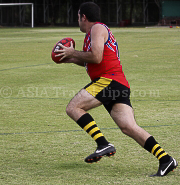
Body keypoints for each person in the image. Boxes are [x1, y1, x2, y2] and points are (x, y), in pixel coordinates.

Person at [55, 2, 178, 177]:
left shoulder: (97, 28)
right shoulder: (93, 33)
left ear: (84, 17)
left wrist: (73, 52)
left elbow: (96, 57)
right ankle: (166, 159)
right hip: (117, 82)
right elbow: (90, 60)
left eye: (78, 17)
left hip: (109, 80)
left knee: (73, 107)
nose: (78, 21)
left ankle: (103, 143)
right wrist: (70, 58)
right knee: (129, 127)